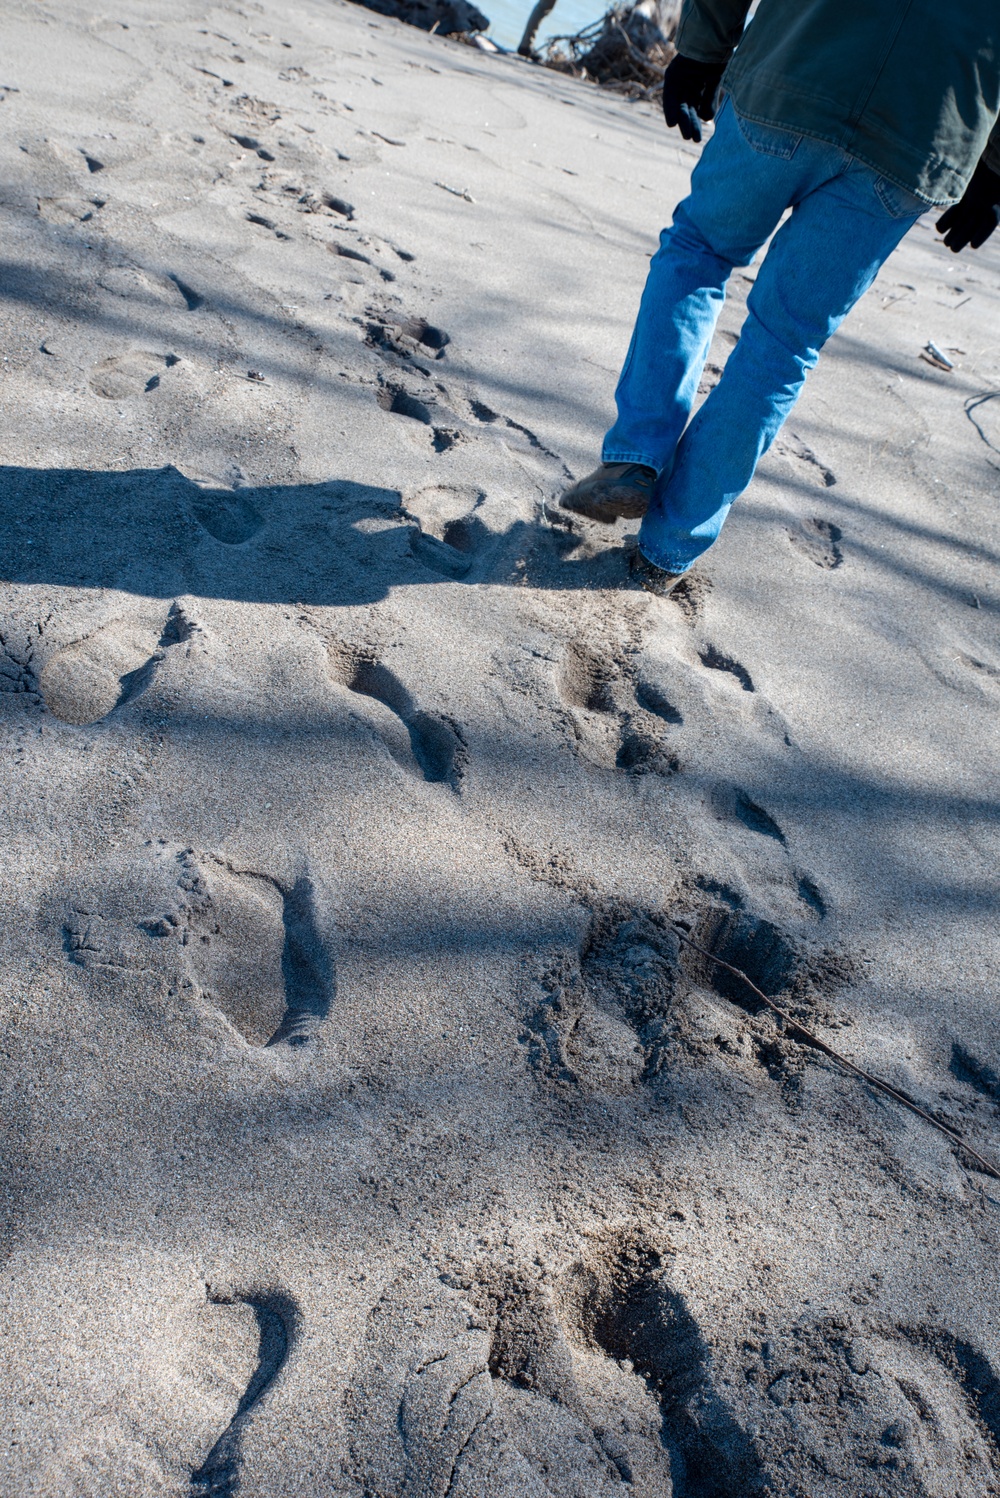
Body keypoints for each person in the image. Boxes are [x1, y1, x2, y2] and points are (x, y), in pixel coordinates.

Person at [560, 0, 1000, 595]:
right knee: (787, 340)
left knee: (699, 254)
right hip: (919, 135)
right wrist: (993, 172)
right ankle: (668, 549)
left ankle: (637, 454)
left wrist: (701, 49)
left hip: (796, 68)